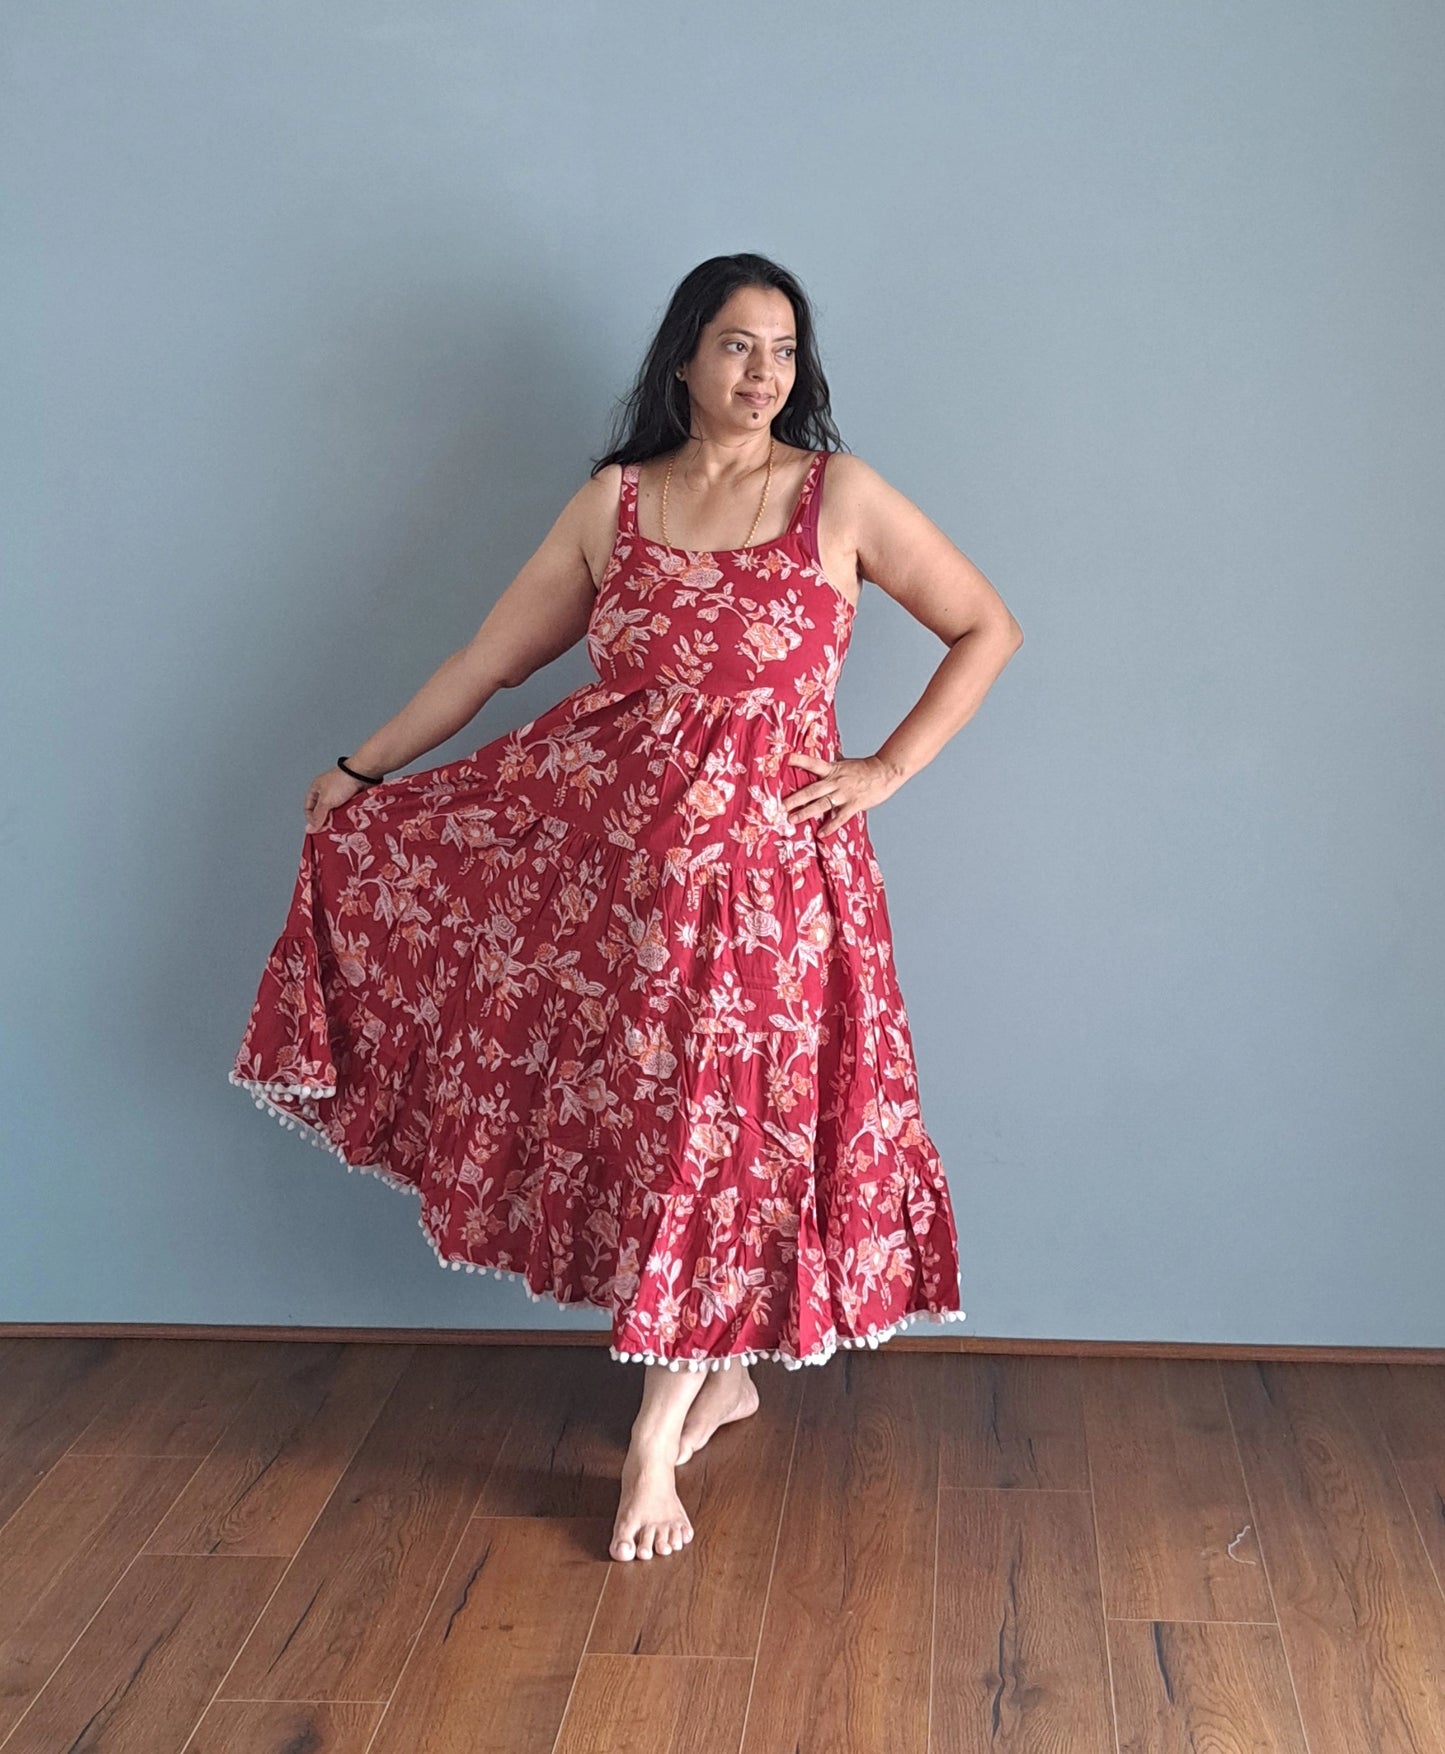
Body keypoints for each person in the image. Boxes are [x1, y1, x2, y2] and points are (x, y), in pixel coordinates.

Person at [230, 252, 1023, 1564]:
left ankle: (651, 1444)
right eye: (733, 345)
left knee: (723, 1137)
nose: (760, 372)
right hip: (619, 898)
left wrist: (881, 768)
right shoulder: (617, 504)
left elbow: (983, 626)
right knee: (667, 1134)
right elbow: (488, 661)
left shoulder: (841, 498)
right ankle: (725, 1372)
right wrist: (364, 769)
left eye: (781, 349)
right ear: (681, 362)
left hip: (776, 895)